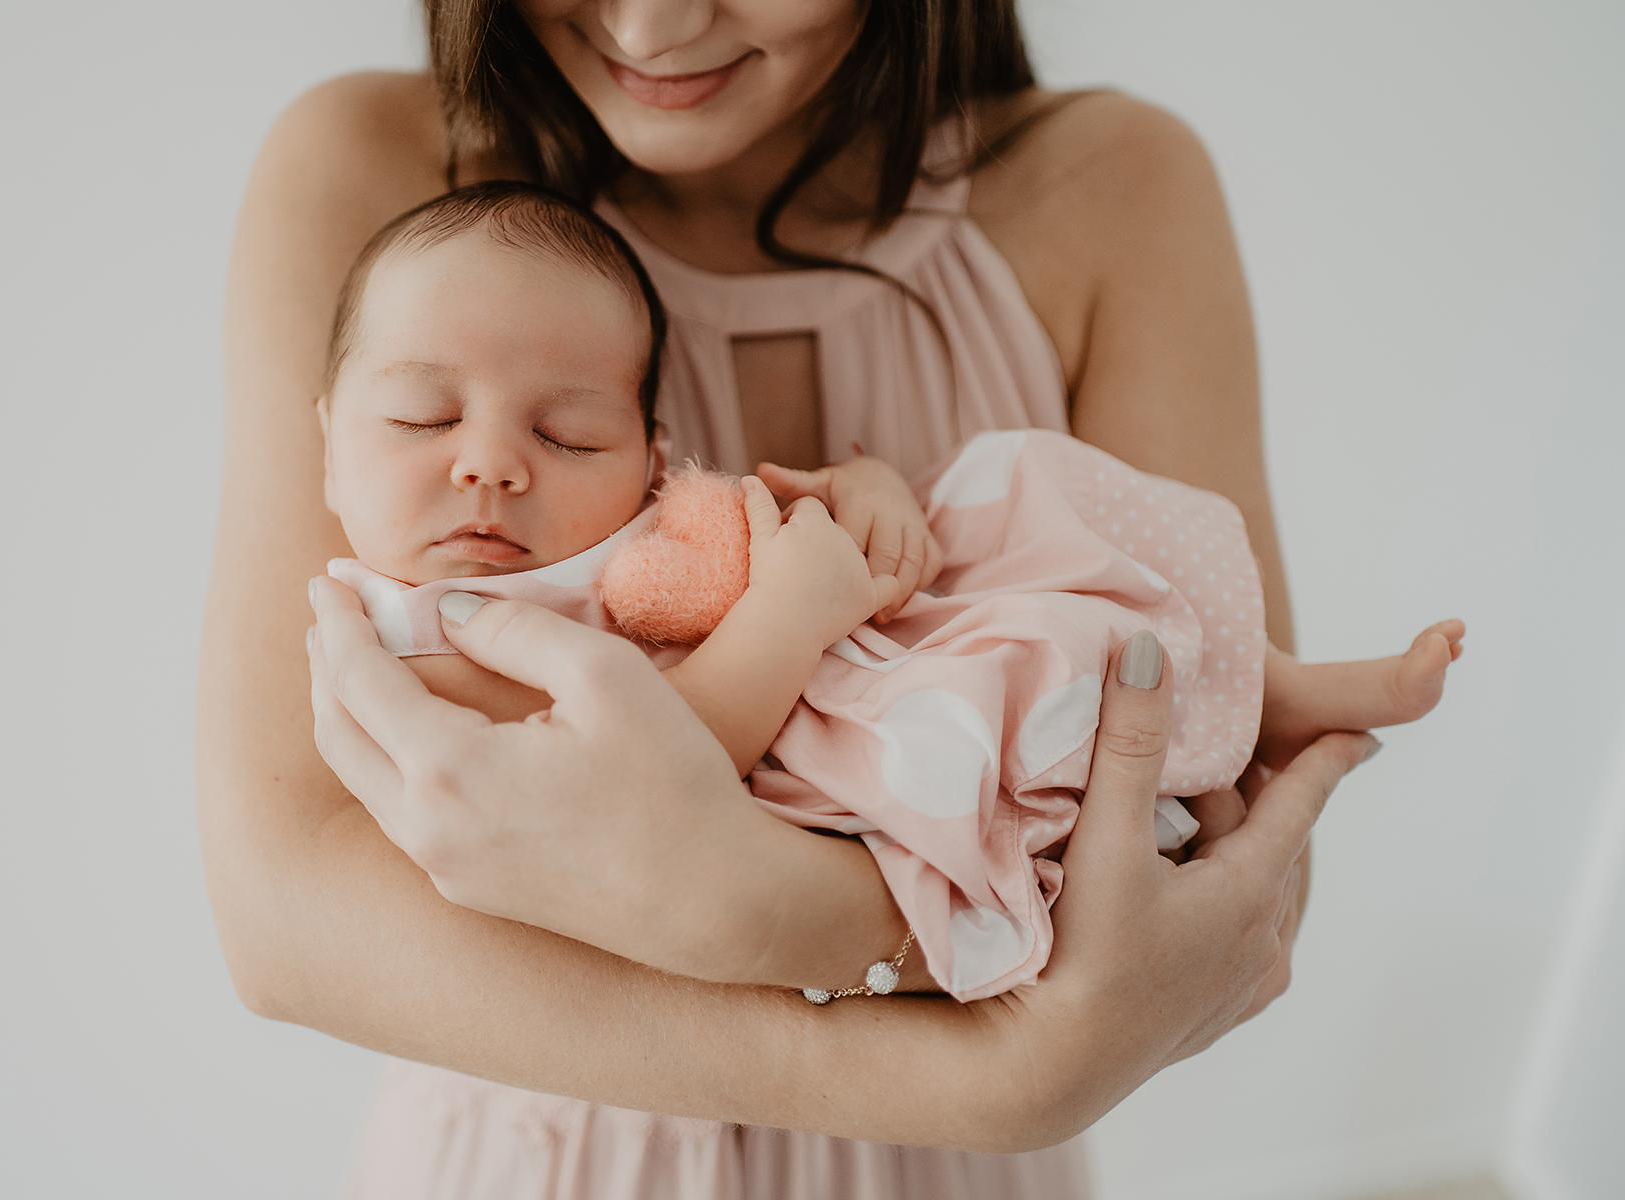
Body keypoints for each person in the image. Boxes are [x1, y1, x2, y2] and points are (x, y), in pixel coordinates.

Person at [199, 0, 1399, 1193]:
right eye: (422, 419)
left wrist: (751, 907)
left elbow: (1208, 879)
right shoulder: (379, 168)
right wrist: (993, 1077)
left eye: (571, 430)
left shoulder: (1114, 188)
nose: (653, 27)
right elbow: (291, 919)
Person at [314, 178, 1462, 1008]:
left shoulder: (645, 519)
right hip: (843, 751)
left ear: (648, 450)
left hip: (874, 653)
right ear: (327, 445)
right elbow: (645, 775)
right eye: (422, 418)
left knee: (1004, 510)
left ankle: (1280, 685)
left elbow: (787, 519)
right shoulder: (417, 647)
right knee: (1027, 657)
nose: (491, 463)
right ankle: (1252, 710)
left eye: (570, 435)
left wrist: (867, 497)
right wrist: (790, 614)